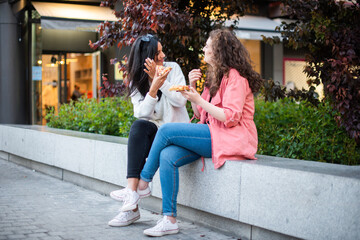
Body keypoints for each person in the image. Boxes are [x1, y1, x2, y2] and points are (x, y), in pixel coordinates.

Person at [135, 28, 264, 237]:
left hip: (233, 138)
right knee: (168, 156)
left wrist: (199, 99)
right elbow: (200, 112)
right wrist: (193, 88)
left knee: (166, 130)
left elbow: (231, 117)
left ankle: (142, 182)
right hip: (213, 133)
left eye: (207, 45)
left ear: (218, 50)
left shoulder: (236, 78)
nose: (203, 48)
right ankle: (169, 219)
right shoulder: (215, 77)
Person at [108, 34, 189, 227]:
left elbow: (180, 100)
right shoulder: (136, 81)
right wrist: (153, 88)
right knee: (138, 127)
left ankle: (132, 199)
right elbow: (141, 114)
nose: (162, 55)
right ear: (146, 58)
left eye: (161, 51)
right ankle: (132, 196)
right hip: (155, 134)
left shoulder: (173, 68)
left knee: (145, 136)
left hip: (175, 133)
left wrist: (160, 79)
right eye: (157, 52)